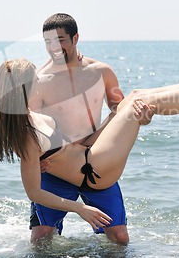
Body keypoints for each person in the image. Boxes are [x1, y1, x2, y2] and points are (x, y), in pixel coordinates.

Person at [0, 53, 179, 233]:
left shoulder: (26, 116)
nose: (39, 81)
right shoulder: (26, 135)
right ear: (22, 88)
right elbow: (34, 192)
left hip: (91, 152)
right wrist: (80, 208)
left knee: (135, 96)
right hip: (94, 170)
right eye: (33, 79)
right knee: (141, 104)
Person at [26, 13, 146, 244]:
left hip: (94, 162)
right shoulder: (39, 81)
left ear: (75, 38)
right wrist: (36, 159)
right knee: (41, 238)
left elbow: (120, 112)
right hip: (57, 167)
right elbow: (32, 129)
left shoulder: (101, 72)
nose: (54, 47)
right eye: (48, 42)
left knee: (119, 238)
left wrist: (141, 117)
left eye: (60, 39)